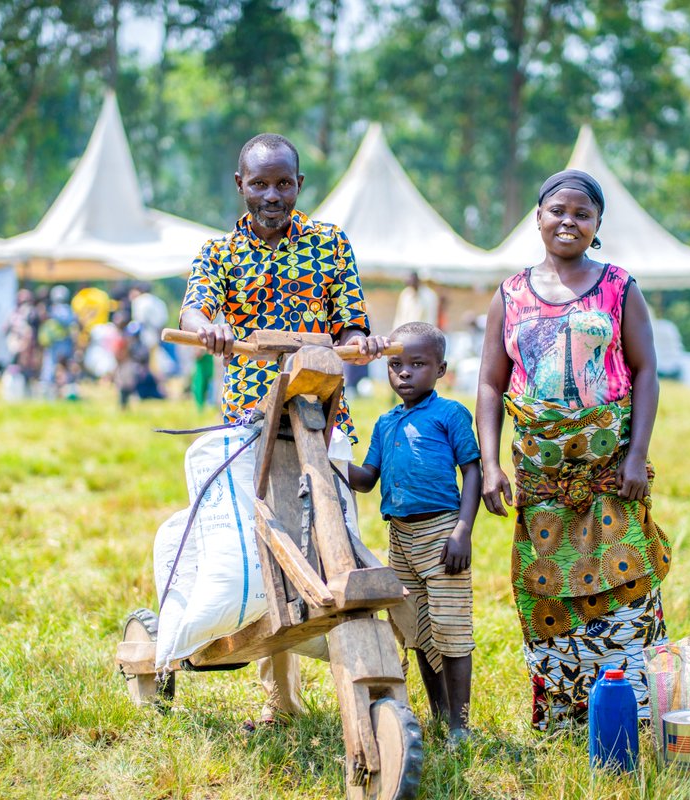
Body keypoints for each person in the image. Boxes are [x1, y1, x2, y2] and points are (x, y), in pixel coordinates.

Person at [178, 132, 389, 729]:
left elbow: (351, 324)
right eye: (260, 183)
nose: (273, 194)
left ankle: (363, 683)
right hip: (251, 425)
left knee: (334, 541)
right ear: (239, 185)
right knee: (270, 548)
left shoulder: (329, 243)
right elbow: (193, 309)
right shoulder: (218, 253)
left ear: (299, 184)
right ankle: (281, 699)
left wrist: (359, 343)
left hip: (322, 419)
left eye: (284, 183)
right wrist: (209, 329)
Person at [476, 170, 671, 732]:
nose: (569, 221)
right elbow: (491, 383)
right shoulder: (510, 294)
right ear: (537, 217)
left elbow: (646, 370)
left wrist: (636, 455)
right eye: (557, 211)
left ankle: (633, 709)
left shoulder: (618, 286)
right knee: (549, 581)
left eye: (582, 214)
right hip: (540, 475)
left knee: (624, 581)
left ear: (597, 225)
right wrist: (490, 465)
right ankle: (564, 716)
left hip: (611, 469)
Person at [347, 322, 481, 744]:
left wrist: (463, 531)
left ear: (441, 369)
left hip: (443, 536)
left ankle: (460, 725)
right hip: (401, 540)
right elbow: (367, 478)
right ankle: (440, 715)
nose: (404, 373)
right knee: (417, 630)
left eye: (417, 365)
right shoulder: (385, 423)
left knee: (452, 629)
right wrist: (329, 454)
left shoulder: (450, 414)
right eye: (395, 365)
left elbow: (472, 471)